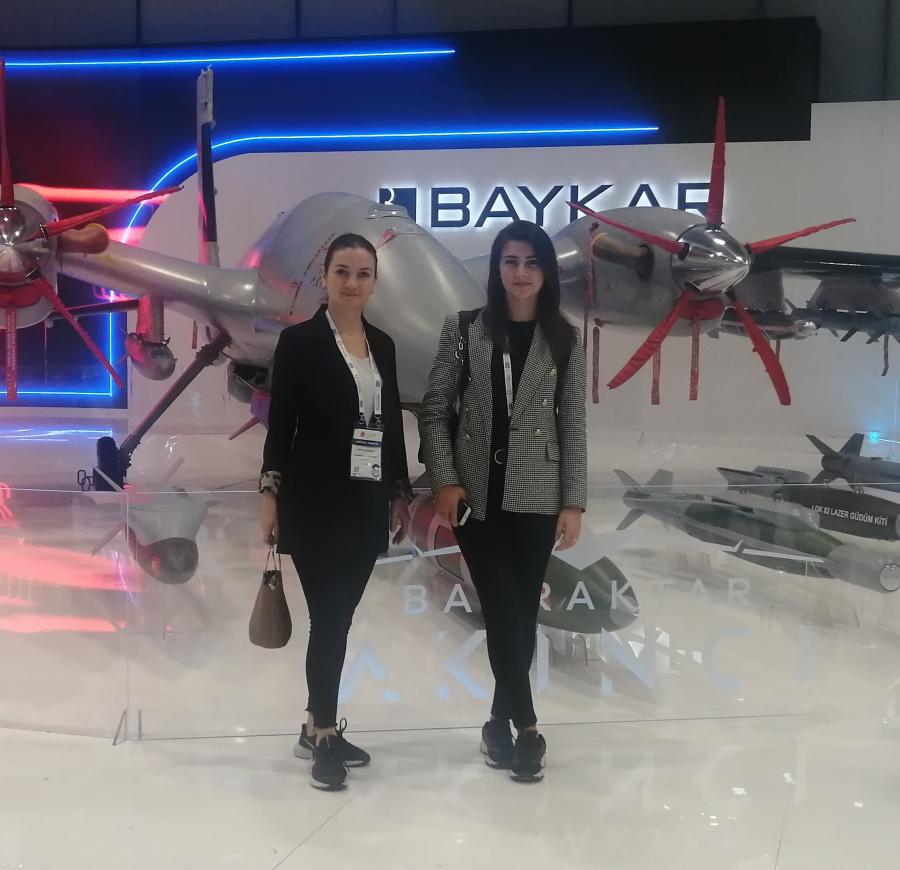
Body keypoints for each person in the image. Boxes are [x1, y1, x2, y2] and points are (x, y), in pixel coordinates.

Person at [420, 220, 587, 783]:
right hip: (475, 499)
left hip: (537, 497)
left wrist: (573, 502)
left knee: (519, 614)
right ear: (496, 268)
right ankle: (529, 727)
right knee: (499, 608)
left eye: (532, 262)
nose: (521, 272)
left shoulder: (564, 338)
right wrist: (444, 479)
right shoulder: (465, 328)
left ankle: (498, 724)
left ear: (547, 272)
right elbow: (435, 410)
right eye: (511, 261)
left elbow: (572, 423)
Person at [259, 233, 412, 791]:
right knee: (328, 618)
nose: (352, 283)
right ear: (324, 277)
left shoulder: (383, 345)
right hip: (314, 500)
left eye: (363, 274)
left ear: (374, 282)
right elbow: (280, 425)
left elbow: (391, 425)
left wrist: (399, 491)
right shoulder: (298, 343)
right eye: (342, 272)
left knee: (340, 618)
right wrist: (268, 493)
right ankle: (324, 733)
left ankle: (313, 724)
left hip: (366, 503)